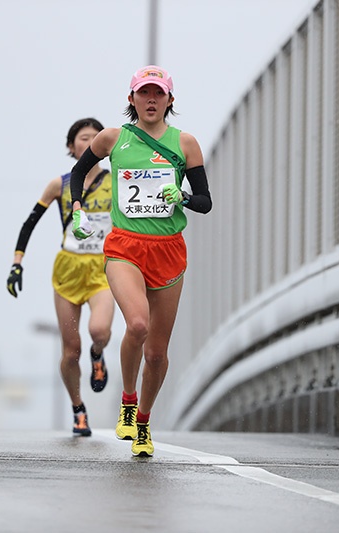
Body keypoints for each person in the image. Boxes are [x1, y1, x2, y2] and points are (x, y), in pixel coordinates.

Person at [68, 66, 212, 456]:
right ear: (131, 100)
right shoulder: (114, 138)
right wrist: (78, 208)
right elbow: (79, 172)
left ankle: (145, 423)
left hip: (168, 249)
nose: (151, 100)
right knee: (137, 323)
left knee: (158, 353)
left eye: (158, 93)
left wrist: (180, 196)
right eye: (144, 93)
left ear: (170, 100)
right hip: (125, 247)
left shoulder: (186, 144)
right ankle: (128, 404)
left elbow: (205, 202)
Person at [7, 117, 115, 437]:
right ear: (71, 147)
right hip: (68, 271)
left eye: (97, 137)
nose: (91, 142)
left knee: (99, 330)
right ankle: (78, 408)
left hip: (103, 270)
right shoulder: (60, 185)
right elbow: (30, 223)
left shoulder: (117, 182)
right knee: (70, 350)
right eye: (83, 138)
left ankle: (99, 355)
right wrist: (17, 263)